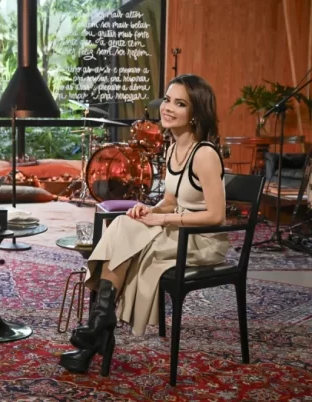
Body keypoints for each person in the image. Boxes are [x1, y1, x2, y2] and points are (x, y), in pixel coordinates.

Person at [59, 74, 229, 374]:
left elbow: (216, 215)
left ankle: (97, 332)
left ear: (195, 113)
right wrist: (146, 209)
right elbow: (169, 201)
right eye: (167, 100)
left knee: (126, 238)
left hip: (203, 240)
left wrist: (161, 218)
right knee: (124, 226)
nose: (168, 107)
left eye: (180, 103)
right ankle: (99, 328)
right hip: (179, 229)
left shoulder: (204, 154)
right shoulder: (175, 149)